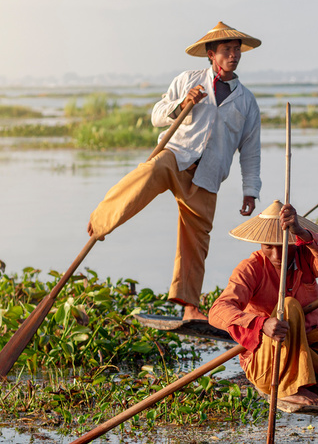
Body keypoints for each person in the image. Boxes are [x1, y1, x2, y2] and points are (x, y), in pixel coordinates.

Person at [86, 22, 262, 321]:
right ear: (211, 55)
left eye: (236, 50)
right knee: (149, 171)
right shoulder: (187, 80)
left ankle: (190, 308)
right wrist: (184, 104)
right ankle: (102, 220)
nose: (233, 55)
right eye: (226, 51)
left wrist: (250, 190)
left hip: (207, 176)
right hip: (177, 157)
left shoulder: (246, 101)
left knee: (197, 239)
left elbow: (251, 149)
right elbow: (157, 116)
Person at [209, 200, 318, 406]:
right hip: (271, 364)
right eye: (269, 247)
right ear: (260, 244)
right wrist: (262, 324)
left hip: (310, 354)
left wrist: (301, 232)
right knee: (288, 306)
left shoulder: (305, 257)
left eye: (283, 246)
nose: (277, 255)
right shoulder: (251, 268)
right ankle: (289, 387)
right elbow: (217, 311)